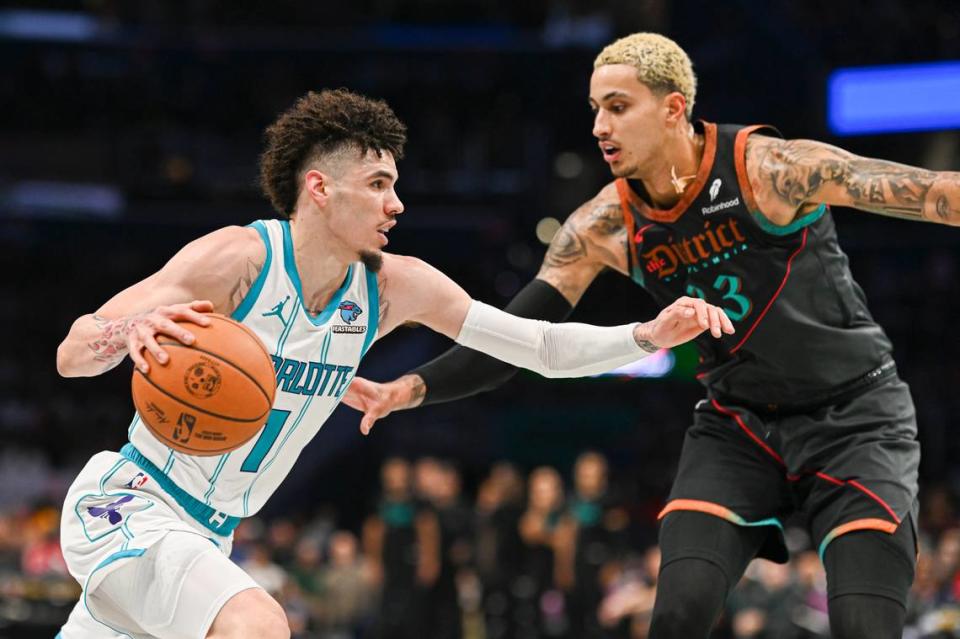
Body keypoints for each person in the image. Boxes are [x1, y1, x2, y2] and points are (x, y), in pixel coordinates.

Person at [53, 87, 732, 639]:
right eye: (378, 184)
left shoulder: (390, 286)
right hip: (131, 504)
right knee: (258, 625)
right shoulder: (240, 259)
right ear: (320, 188)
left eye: (395, 185)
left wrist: (643, 334)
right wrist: (128, 329)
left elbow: (541, 347)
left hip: (210, 532)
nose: (396, 203)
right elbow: (72, 352)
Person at [344, 32, 960, 639]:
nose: (599, 127)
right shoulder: (602, 226)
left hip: (855, 416)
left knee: (865, 626)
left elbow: (932, 194)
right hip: (739, 426)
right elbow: (517, 337)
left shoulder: (769, 170)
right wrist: (411, 388)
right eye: (594, 110)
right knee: (676, 616)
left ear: (673, 108)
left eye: (617, 106)